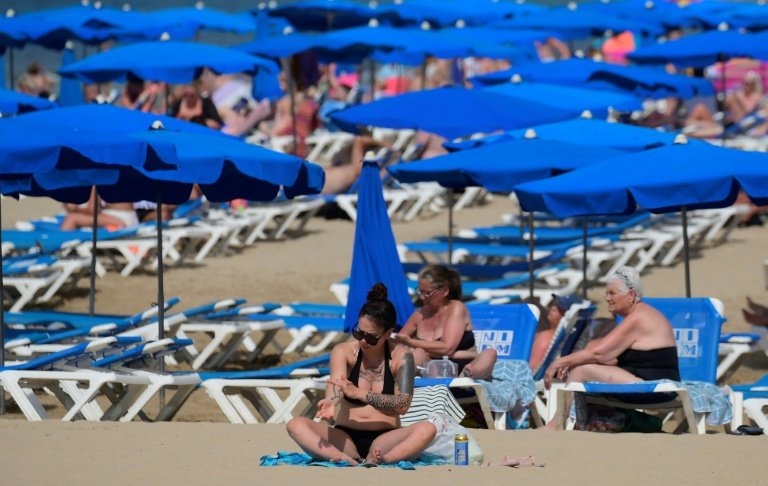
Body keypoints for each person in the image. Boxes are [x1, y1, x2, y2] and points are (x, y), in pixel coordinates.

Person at [286, 283, 436, 465]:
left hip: (385, 438)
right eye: (359, 333)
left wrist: (361, 394)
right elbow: (337, 383)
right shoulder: (344, 351)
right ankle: (347, 459)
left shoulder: (401, 356)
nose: (363, 341)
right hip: (345, 436)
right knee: (295, 424)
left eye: (371, 337)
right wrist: (331, 402)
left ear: (388, 333)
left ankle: (384, 459)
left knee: (428, 429)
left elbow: (403, 405)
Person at [543, 266, 680, 428]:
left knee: (582, 371)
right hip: (653, 383)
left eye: (612, 293)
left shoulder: (639, 318)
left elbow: (598, 353)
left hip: (657, 388)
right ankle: (604, 422)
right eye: (606, 293)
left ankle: (555, 424)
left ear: (631, 295)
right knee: (582, 368)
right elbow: (611, 358)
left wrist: (559, 362)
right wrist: (574, 362)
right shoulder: (640, 314)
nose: (607, 298)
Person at [392, 265, 497, 379]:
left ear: (445, 291)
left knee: (490, 353)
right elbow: (397, 343)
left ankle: (466, 378)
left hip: (464, 365)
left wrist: (412, 343)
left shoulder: (456, 307)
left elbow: (447, 348)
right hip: (432, 368)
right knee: (417, 354)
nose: (422, 297)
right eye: (420, 291)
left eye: (427, 293)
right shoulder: (419, 314)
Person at [529, 294, 584, 371]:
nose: (553, 308)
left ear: (569, 316)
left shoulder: (545, 338)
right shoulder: (568, 338)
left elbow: (531, 366)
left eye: (560, 308)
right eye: (555, 304)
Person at [60, 187, 139, 231]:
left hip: (120, 219)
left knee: (71, 218)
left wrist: (75, 209)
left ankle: (60, 249)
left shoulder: (99, 179)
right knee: (77, 217)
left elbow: (92, 210)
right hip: (130, 217)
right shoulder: (117, 174)